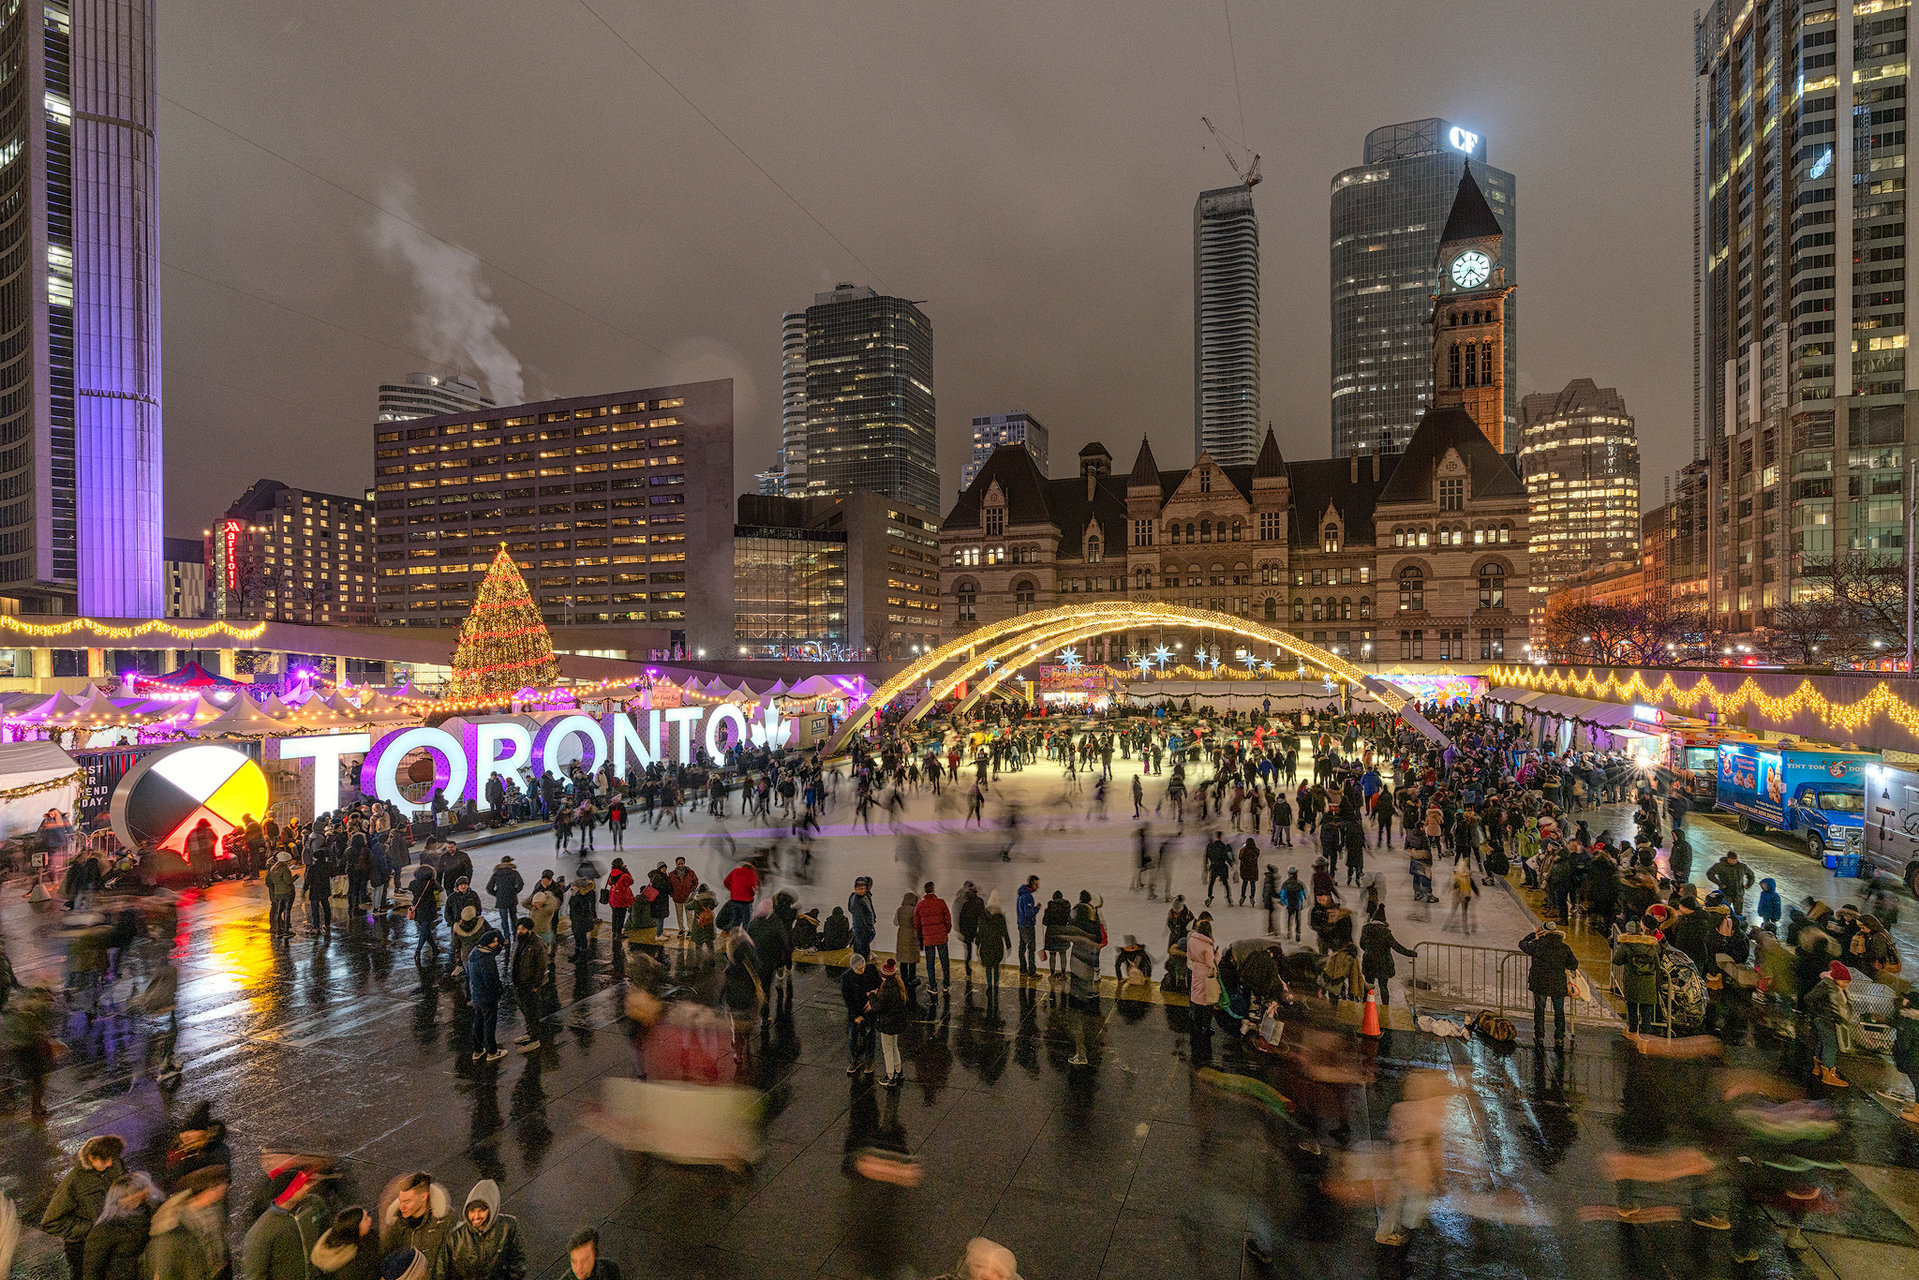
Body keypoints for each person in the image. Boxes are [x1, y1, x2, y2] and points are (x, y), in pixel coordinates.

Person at [41, 1134, 126, 1278]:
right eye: (105, 1160)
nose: (110, 1164)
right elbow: (50, 1222)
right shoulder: (74, 1182)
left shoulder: (114, 1164)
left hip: (111, 1242)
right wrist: (91, 1229)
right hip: (84, 1249)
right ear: (92, 1158)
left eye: (113, 1159)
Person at [147, 1165, 231, 1280]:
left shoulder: (215, 1209)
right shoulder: (172, 1222)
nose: (224, 1189)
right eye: (220, 1185)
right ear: (206, 1188)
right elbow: (165, 1267)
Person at [242, 1166, 325, 1280]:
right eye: (300, 1186)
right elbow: (256, 1274)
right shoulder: (261, 1231)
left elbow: (326, 1231)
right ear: (288, 1193)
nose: (306, 1187)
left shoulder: (314, 1203)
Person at [434, 1181, 524, 1280]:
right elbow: (441, 1272)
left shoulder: (508, 1227)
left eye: (481, 1210)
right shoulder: (454, 1236)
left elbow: (518, 1262)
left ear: (492, 1208)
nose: (476, 1216)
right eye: (472, 1211)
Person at [82, 1173, 160, 1280]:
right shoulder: (105, 1229)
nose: (141, 1194)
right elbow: (92, 1272)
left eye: (142, 1190)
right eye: (134, 1192)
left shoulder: (152, 1213)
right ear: (119, 1199)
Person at [1518, 921, 1579, 1047]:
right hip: (1558, 983)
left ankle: (1539, 1035)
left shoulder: (1537, 945)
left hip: (1540, 983)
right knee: (1559, 1010)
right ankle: (1559, 1037)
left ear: (1543, 931)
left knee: (1540, 1010)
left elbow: (1522, 944)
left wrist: (1533, 934)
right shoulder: (1564, 947)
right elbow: (1573, 964)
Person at [378, 1172, 453, 1270]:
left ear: (423, 1197)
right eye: (400, 1201)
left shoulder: (445, 1220)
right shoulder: (396, 1224)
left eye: (407, 1201)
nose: (401, 1207)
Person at [1805, 960, 1854, 1088]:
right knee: (1831, 1045)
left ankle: (1819, 1068)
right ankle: (1828, 1073)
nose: (1846, 985)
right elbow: (1809, 999)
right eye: (1844, 982)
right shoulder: (1826, 986)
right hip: (1826, 1021)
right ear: (1837, 979)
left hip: (1828, 1021)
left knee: (1824, 1042)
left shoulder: (1835, 987)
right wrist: (1819, 1013)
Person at [1612, 917, 1664, 1034]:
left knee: (1632, 1007)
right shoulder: (1652, 944)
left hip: (1632, 980)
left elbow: (1617, 960)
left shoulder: (1626, 945)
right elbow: (1657, 962)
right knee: (1647, 1010)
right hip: (1649, 981)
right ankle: (1646, 1034)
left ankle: (1633, 1030)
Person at [1359, 906, 1416, 1007]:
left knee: (1368, 985)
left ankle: (1364, 1005)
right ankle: (1385, 1006)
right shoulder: (1385, 932)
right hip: (1383, 964)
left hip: (1369, 962)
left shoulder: (1366, 928)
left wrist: (1370, 951)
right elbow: (1396, 947)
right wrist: (1410, 953)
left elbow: (1361, 944)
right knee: (1383, 987)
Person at [466, 929, 507, 1063]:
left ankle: (477, 1050)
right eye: (495, 942)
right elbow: (491, 981)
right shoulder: (486, 960)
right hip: (487, 997)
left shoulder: (474, 953)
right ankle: (492, 1051)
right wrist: (498, 991)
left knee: (478, 1021)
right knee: (489, 1024)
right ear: (490, 943)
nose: (497, 944)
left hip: (476, 995)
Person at [870, 958, 911, 1087]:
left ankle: (890, 1076)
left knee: (887, 1050)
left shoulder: (886, 990)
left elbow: (877, 1007)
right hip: (897, 1023)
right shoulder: (898, 985)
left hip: (887, 1024)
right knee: (894, 1046)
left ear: (883, 976)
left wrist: (872, 996)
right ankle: (899, 1071)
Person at [841, 953, 881, 1075]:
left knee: (870, 1035)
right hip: (856, 1011)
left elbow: (880, 986)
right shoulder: (847, 978)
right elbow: (848, 1000)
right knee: (853, 1036)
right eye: (859, 969)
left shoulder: (871, 970)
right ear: (853, 968)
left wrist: (872, 1001)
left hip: (870, 1011)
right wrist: (855, 1016)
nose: (862, 970)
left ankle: (869, 1060)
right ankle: (855, 1060)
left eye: (863, 967)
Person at [509, 919, 546, 1052]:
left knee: (532, 1012)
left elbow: (541, 966)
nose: (519, 932)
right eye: (518, 929)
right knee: (525, 1010)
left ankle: (535, 1039)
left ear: (529, 930)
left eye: (522, 929)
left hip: (530, 984)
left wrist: (536, 985)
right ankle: (530, 1033)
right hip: (520, 982)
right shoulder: (519, 940)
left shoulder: (536, 944)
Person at [916, 881, 953, 997]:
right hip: (941, 937)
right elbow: (948, 918)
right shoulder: (941, 903)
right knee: (945, 962)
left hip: (928, 938)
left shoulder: (920, 905)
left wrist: (921, 935)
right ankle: (946, 985)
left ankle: (933, 986)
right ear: (934, 890)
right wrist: (946, 930)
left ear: (925, 891)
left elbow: (917, 924)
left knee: (930, 963)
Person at [1186, 920, 1219, 1048]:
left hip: (1196, 971)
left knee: (1196, 999)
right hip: (1206, 975)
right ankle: (1206, 1028)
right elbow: (1211, 964)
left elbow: (1189, 955)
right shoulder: (1207, 946)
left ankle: (1197, 1026)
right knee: (1207, 1003)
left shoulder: (1191, 940)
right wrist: (1217, 956)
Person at [976, 891, 1011, 998]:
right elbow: (1004, 932)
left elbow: (980, 931)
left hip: (986, 945)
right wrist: (1008, 945)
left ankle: (989, 985)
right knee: (996, 966)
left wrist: (977, 944)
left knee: (988, 967)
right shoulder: (1000, 917)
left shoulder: (982, 916)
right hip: (997, 945)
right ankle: (995, 985)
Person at [484, 857, 523, 940]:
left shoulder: (496, 874)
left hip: (501, 900)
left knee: (504, 920)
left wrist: (497, 894)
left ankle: (507, 937)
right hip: (512, 898)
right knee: (514, 918)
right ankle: (516, 935)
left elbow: (489, 888)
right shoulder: (514, 873)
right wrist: (515, 892)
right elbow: (520, 884)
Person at [1707, 851, 1755, 916]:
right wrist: (1719, 883)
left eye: (1735, 860)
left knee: (1738, 913)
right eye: (1731, 860)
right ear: (1727, 859)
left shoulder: (1741, 867)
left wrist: (1748, 885)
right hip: (1726, 893)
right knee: (1724, 912)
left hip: (1738, 894)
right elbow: (1710, 874)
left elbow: (1751, 875)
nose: (1733, 861)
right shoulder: (1720, 866)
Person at [266, 853, 297, 938]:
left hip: (277, 893)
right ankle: (286, 932)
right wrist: (296, 877)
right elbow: (288, 881)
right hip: (287, 892)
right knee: (287, 911)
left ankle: (278, 931)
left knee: (278, 912)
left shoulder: (272, 868)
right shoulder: (284, 869)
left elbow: (269, 881)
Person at [1015, 876, 1040, 978]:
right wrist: (1037, 908)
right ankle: (1032, 972)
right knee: (1031, 949)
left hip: (1021, 924)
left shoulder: (1021, 894)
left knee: (1022, 948)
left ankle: (1023, 969)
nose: (1037, 886)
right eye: (1035, 884)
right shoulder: (1027, 896)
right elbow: (1028, 913)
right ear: (1031, 884)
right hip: (1028, 926)